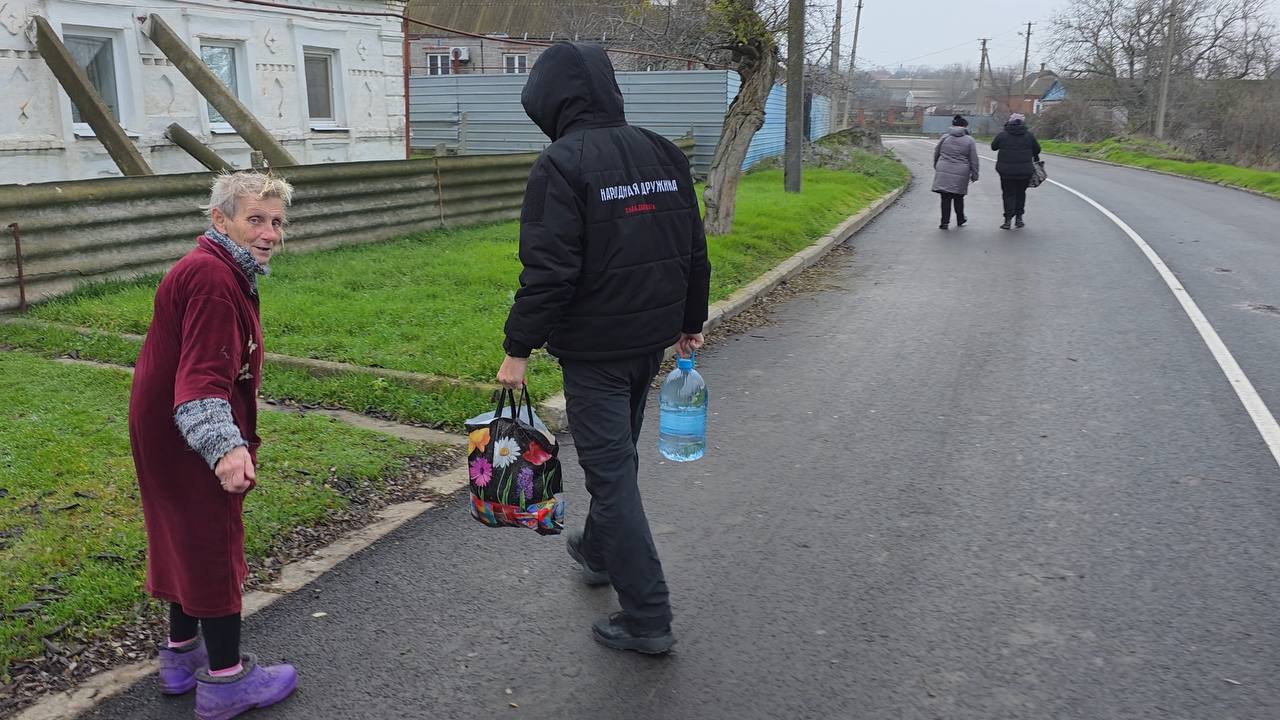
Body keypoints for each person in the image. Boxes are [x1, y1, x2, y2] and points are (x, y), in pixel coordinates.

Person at [496, 42, 710, 655]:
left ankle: (647, 616)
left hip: (595, 355)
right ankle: (596, 552)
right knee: (617, 464)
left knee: (613, 476)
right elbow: (694, 249)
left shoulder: (560, 164)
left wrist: (518, 348)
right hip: (649, 345)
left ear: (548, 99)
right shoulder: (663, 151)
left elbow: (549, 272)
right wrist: (690, 319)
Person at [129, 172, 298, 719]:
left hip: (159, 429)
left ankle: (181, 658)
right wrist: (226, 449)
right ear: (220, 220)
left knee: (182, 536)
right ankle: (227, 682)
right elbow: (201, 383)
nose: (269, 232)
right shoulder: (211, 278)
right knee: (212, 544)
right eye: (255, 218)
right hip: (190, 436)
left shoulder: (218, 268)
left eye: (276, 221)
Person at [991, 112, 1042, 229]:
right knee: (1020, 193)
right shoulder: (1029, 135)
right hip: (1024, 171)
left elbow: (993, 147)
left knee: (1008, 194)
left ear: (1009, 122)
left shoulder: (1003, 135)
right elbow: (1037, 149)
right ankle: (1019, 218)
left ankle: (1007, 220)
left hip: (1006, 171)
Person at [932, 115, 980, 229]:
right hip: (961, 171)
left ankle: (944, 222)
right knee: (958, 196)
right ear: (965, 127)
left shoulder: (945, 137)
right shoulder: (969, 140)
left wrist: (937, 165)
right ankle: (960, 219)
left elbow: (936, 152)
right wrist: (975, 174)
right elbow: (974, 159)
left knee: (945, 197)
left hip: (943, 168)